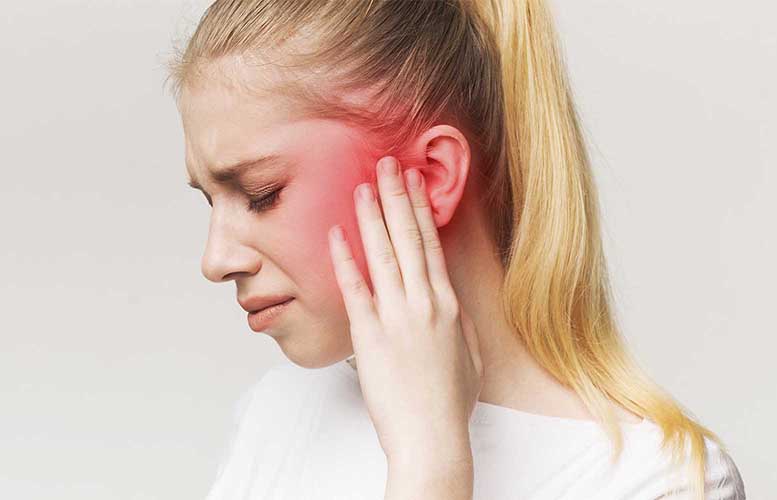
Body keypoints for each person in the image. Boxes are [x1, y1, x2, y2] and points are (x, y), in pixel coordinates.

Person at [165, 0, 746, 498]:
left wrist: (429, 464)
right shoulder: (278, 415)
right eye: (209, 201)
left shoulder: (659, 482)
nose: (215, 261)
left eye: (261, 195)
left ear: (434, 175)